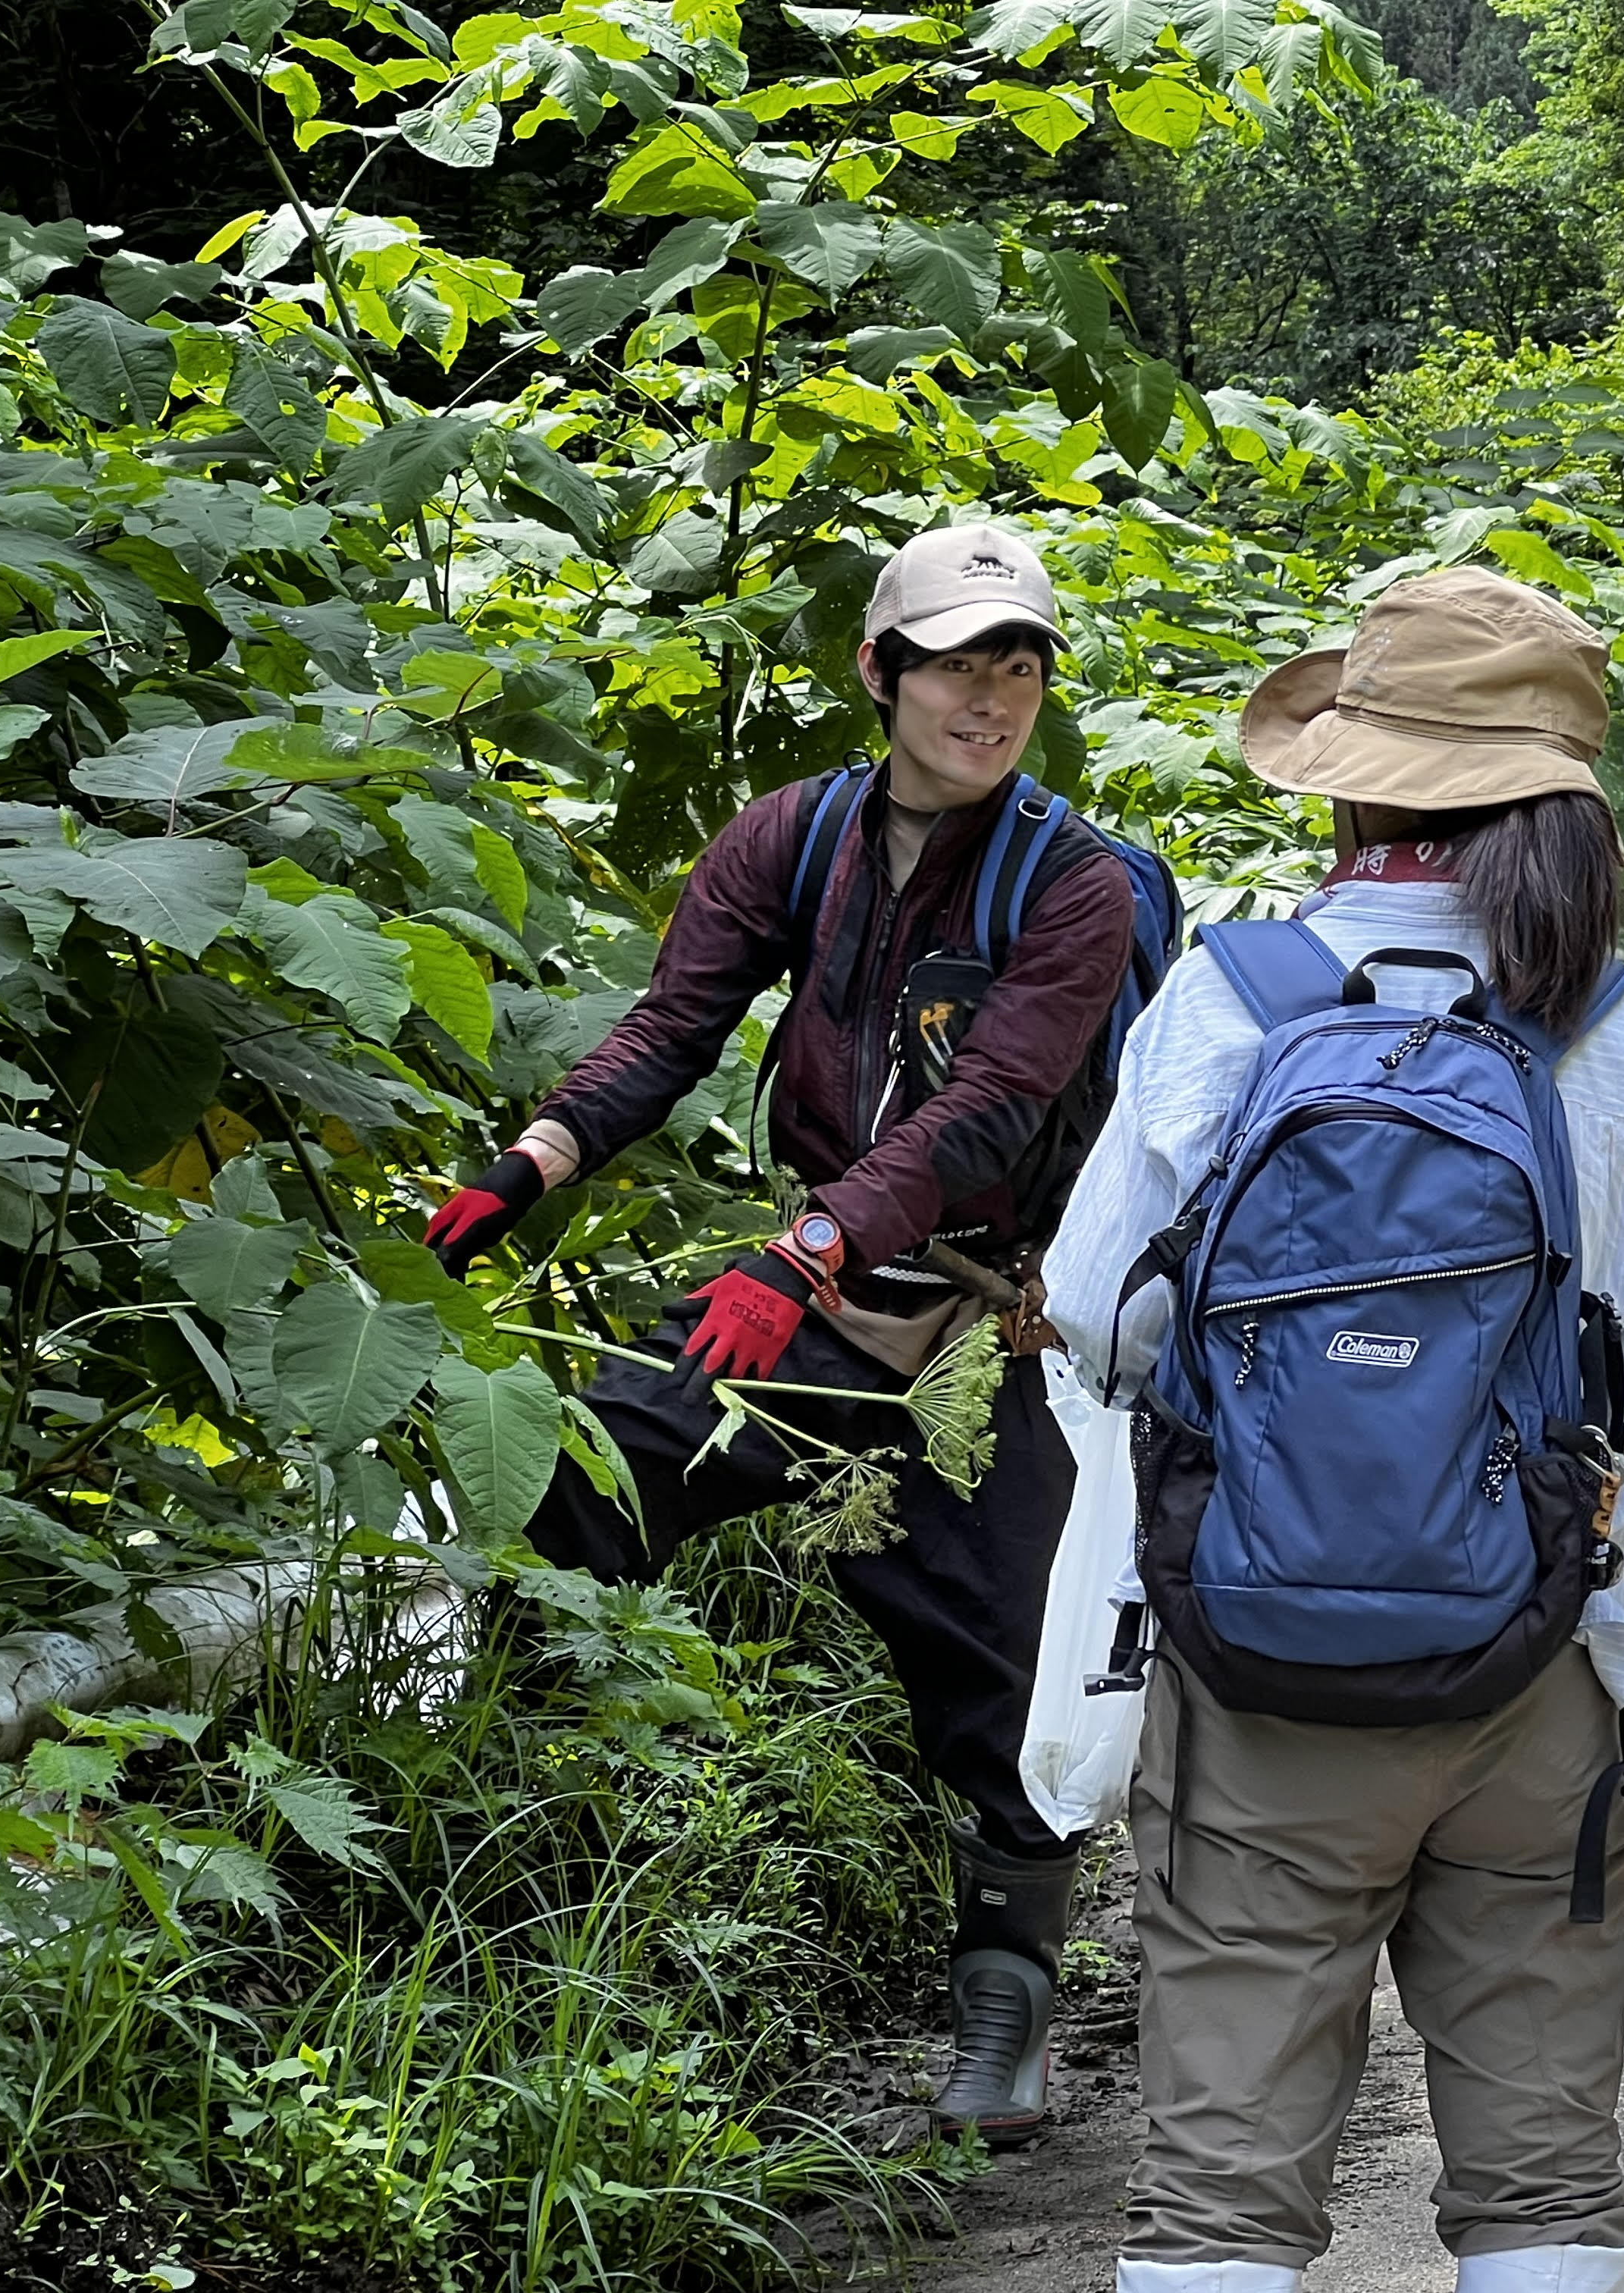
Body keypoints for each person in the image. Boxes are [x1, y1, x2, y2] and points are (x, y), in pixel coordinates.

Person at [1041, 566, 1624, 2293]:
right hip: (1549, 1678)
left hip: (1258, 1671)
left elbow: (1087, 1316)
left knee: (1220, 2188)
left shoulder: (1229, 1004)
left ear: (1352, 780)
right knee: (1546, 2181)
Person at [422, 523, 1137, 2147]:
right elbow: (674, 1022)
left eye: (1019, 664)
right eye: (959, 662)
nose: (992, 695)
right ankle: (518, 1863)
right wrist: (526, 1167)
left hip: (1016, 1310)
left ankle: (1003, 2022)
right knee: (593, 1471)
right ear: (879, 672)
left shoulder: (1074, 882)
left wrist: (802, 1253)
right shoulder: (791, 839)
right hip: (823, 1292)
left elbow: (989, 1112)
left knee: (1000, 1648)